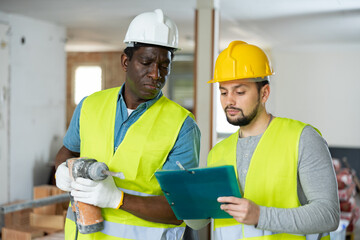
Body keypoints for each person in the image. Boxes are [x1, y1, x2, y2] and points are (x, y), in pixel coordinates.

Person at [54, 9, 200, 240]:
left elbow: (181, 208)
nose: (155, 74)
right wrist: (60, 170)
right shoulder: (90, 106)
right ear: (126, 61)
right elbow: (68, 151)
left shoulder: (182, 126)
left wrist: (117, 199)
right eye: (146, 62)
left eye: (164, 65)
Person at [186, 40, 339, 239]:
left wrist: (261, 216)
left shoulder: (302, 138)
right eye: (223, 92)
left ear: (264, 93)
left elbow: (328, 215)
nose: (229, 100)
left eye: (240, 92)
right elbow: (204, 219)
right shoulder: (218, 152)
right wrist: (187, 204)